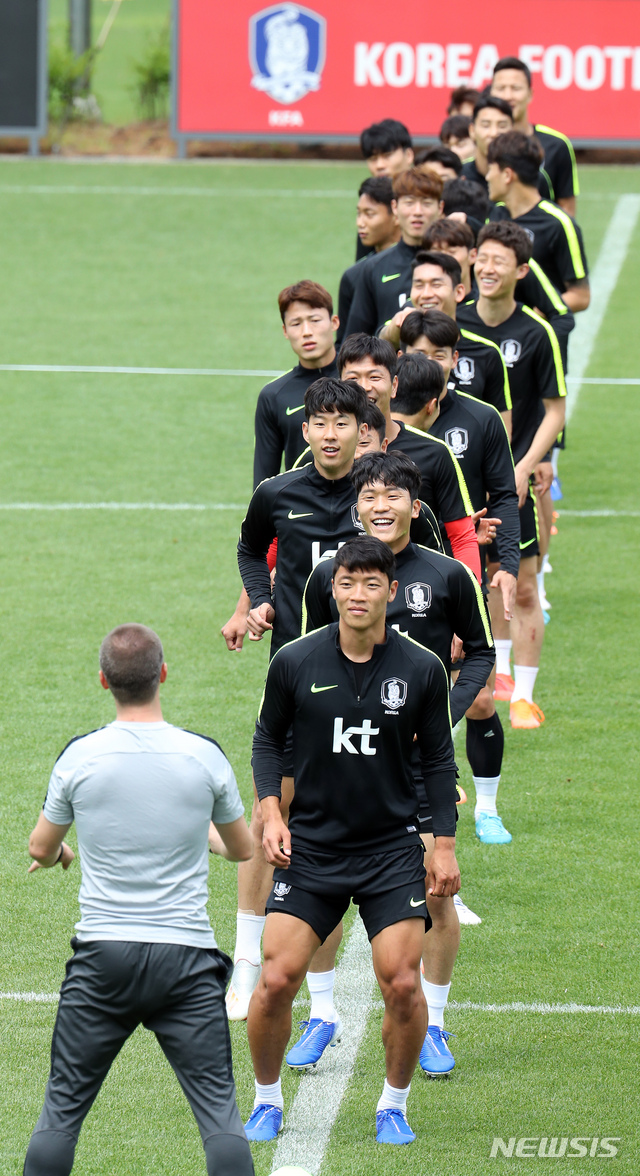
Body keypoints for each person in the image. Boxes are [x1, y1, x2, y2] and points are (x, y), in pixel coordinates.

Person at [245, 536, 460, 1144]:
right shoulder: (294, 660)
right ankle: (266, 1100)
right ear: (332, 589)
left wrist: (441, 845)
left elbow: (440, 763)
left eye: (372, 584)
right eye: (347, 583)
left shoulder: (421, 668)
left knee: (399, 979)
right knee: (275, 979)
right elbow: (267, 740)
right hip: (313, 847)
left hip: (391, 851)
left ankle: (393, 1103)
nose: (358, 595)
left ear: (392, 592)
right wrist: (271, 811)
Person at [23, 624, 254, 1176]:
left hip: (103, 957)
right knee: (220, 1120)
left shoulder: (80, 757)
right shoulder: (203, 756)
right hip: (186, 960)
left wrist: (62, 856)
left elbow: (41, 845)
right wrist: (196, 826)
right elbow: (242, 849)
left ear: (104, 680)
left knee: (61, 1115)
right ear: (163, 675)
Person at [298, 452, 494, 1074]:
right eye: (370, 495)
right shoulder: (329, 575)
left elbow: (482, 655)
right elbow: (300, 665)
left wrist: (440, 719)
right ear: (355, 505)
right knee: (321, 891)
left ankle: (433, 1024)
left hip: (414, 766)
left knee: (435, 895)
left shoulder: (446, 576)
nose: (381, 506)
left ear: (416, 505)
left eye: (394, 495)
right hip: (335, 759)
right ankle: (322, 1012)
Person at [224, 378, 370, 1020]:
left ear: (361, 430)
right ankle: (246, 963)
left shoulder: (384, 494)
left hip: (373, 682)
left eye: (344, 422)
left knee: (374, 820)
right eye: (321, 422)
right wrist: (258, 598)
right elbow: (250, 547)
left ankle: (389, 996)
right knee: (270, 814)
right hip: (295, 680)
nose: (332, 433)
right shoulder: (278, 492)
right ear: (305, 431)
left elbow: (430, 559)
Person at [393, 315, 519, 844]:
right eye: (417, 349)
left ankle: (486, 807)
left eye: (438, 352)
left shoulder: (480, 420)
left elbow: (502, 496)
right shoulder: (380, 433)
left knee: (481, 698)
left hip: (456, 578)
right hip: (393, 586)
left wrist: (503, 562)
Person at [456, 222, 567, 728]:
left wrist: (523, 466)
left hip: (512, 480)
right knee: (472, 584)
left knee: (521, 585)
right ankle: (492, 677)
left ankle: (523, 695)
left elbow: (554, 410)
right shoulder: (452, 327)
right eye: (483, 258)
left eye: (501, 261)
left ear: (522, 271)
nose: (488, 268)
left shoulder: (536, 332)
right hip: (459, 483)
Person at [337, 333, 481, 580]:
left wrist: (473, 591)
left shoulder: (435, 452)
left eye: (374, 376)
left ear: (394, 386)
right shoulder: (321, 455)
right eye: (353, 378)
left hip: (416, 594)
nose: (364, 387)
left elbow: (462, 536)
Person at [381, 250, 512, 429]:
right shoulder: (396, 332)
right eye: (419, 285)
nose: (426, 294)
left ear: (458, 292)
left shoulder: (487, 352)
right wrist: (392, 332)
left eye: (436, 284)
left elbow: (501, 428)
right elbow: (377, 345)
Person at [486, 131, 590, 314]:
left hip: (539, 340)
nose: (487, 177)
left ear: (507, 175)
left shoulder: (559, 224)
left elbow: (581, 296)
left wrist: (537, 314)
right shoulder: (494, 214)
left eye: (491, 169)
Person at [344, 168, 444, 338]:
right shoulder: (373, 268)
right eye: (409, 202)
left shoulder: (454, 262)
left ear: (440, 208)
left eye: (426, 203)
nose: (417, 212)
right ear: (395, 207)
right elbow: (354, 340)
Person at [490, 56, 579, 215]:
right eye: (501, 88)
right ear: (491, 93)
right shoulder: (482, 143)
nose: (508, 95)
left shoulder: (557, 145)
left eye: (516, 88)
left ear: (530, 94)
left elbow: (567, 209)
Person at [337, 177, 400, 346]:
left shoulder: (424, 266)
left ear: (395, 214)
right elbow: (345, 343)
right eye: (359, 213)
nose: (360, 223)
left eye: (369, 214)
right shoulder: (353, 276)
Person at [460, 96, 514, 193]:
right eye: (486, 125)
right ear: (472, 130)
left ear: (513, 131)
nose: (493, 133)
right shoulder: (458, 175)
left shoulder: (529, 178)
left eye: (502, 126)